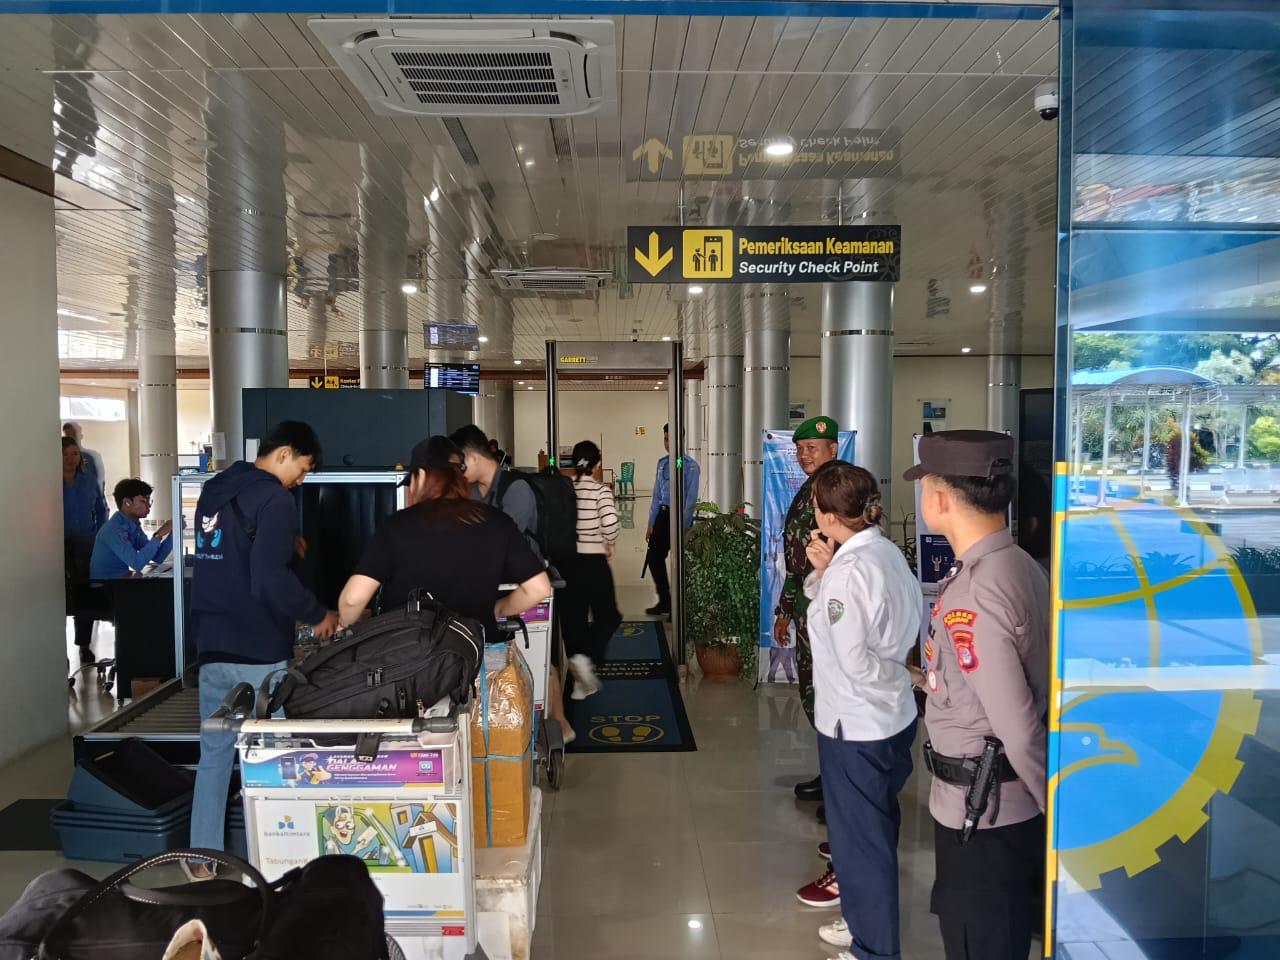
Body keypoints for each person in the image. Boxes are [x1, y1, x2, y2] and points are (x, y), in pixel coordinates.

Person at [904, 430, 1049, 960]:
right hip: (989, 809)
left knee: (980, 944)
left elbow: (1018, 728)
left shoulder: (976, 591)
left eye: (925, 486)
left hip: (987, 816)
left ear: (941, 499)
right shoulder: (1016, 564)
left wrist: (1056, 813)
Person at [188, 420, 340, 861]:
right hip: (257, 647)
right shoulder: (275, 499)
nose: (302, 479)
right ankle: (279, 856)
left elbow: (231, 555)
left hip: (212, 642)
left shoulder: (215, 490)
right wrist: (318, 615)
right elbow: (267, 579)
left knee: (215, 755)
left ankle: (202, 858)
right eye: (304, 468)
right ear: (284, 453)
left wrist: (283, 544)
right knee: (277, 757)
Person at [798, 462, 921, 960]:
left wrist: (897, 676)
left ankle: (874, 949)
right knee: (876, 831)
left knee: (860, 844)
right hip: (892, 719)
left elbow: (853, 661)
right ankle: (862, 922)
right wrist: (823, 573)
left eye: (815, 506)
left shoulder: (849, 573)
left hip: (855, 725)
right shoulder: (884, 552)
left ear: (828, 516)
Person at [338, 436, 552, 645]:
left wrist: (344, 632)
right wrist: (496, 609)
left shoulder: (397, 525)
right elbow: (538, 588)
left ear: (421, 476)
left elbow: (352, 599)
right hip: (474, 652)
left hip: (407, 656)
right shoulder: (498, 521)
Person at [775, 416, 842, 807]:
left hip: (834, 608)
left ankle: (844, 782)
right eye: (799, 449)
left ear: (833, 449)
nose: (803, 455)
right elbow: (796, 561)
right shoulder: (809, 489)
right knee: (814, 691)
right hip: (807, 606)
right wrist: (785, 609)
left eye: (812, 448)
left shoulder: (842, 490)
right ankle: (831, 772)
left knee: (833, 693)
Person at [561, 440, 622, 701]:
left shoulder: (565, 490)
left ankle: (580, 682)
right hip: (593, 561)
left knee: (573, 620)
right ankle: (587, 658)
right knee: (608, 617)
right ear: (597, 464)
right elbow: (610, 523)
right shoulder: (600, 491)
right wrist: (609, 541)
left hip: (567, 562)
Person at [451, 424, 538, 555]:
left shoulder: (516, 489)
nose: (457, 471)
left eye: (459, 465)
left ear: (473, 458)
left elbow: (502, 541)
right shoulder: (471, 492)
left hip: (520, 566)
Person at [644, 423, 700, 617]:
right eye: (666, 439)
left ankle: (680, 608)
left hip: (679, 519)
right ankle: (665, 601)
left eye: (672, 439)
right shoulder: (662, 464)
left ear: (681, 440)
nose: (668, 443)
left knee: (679, 564)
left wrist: (683, 527)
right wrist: (651, 523)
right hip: (662, 517)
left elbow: (690, 501)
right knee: (654, 558)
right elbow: (656, 496)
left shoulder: (690, 466)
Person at [62, 436, 108, 664]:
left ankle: (84, 645)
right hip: (57, 544)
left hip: (85, 543)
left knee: (84, 593)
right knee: (59, 595)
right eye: (65, 454)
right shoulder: (49, 481)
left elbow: (101, 509)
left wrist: (99, 534)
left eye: (75, 454)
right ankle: (58, 650)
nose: (70, 459)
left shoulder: (88, 480)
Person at [90, 478, 173, 579]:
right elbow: (137, 564)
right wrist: (158, 535)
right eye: (143, 501)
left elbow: (158, 557)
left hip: (122, 580)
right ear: (127, 503)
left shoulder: (133, 526)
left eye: (149, 501)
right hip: (106, 585)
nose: (148, 506)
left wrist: (173, 534)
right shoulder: (114, 529)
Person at [63, 422, 106, 495]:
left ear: (80, 435)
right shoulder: (59, 459)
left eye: (73, 434)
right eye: (67, 435)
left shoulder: (92, 456)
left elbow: (100, 481)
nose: (71, 438)